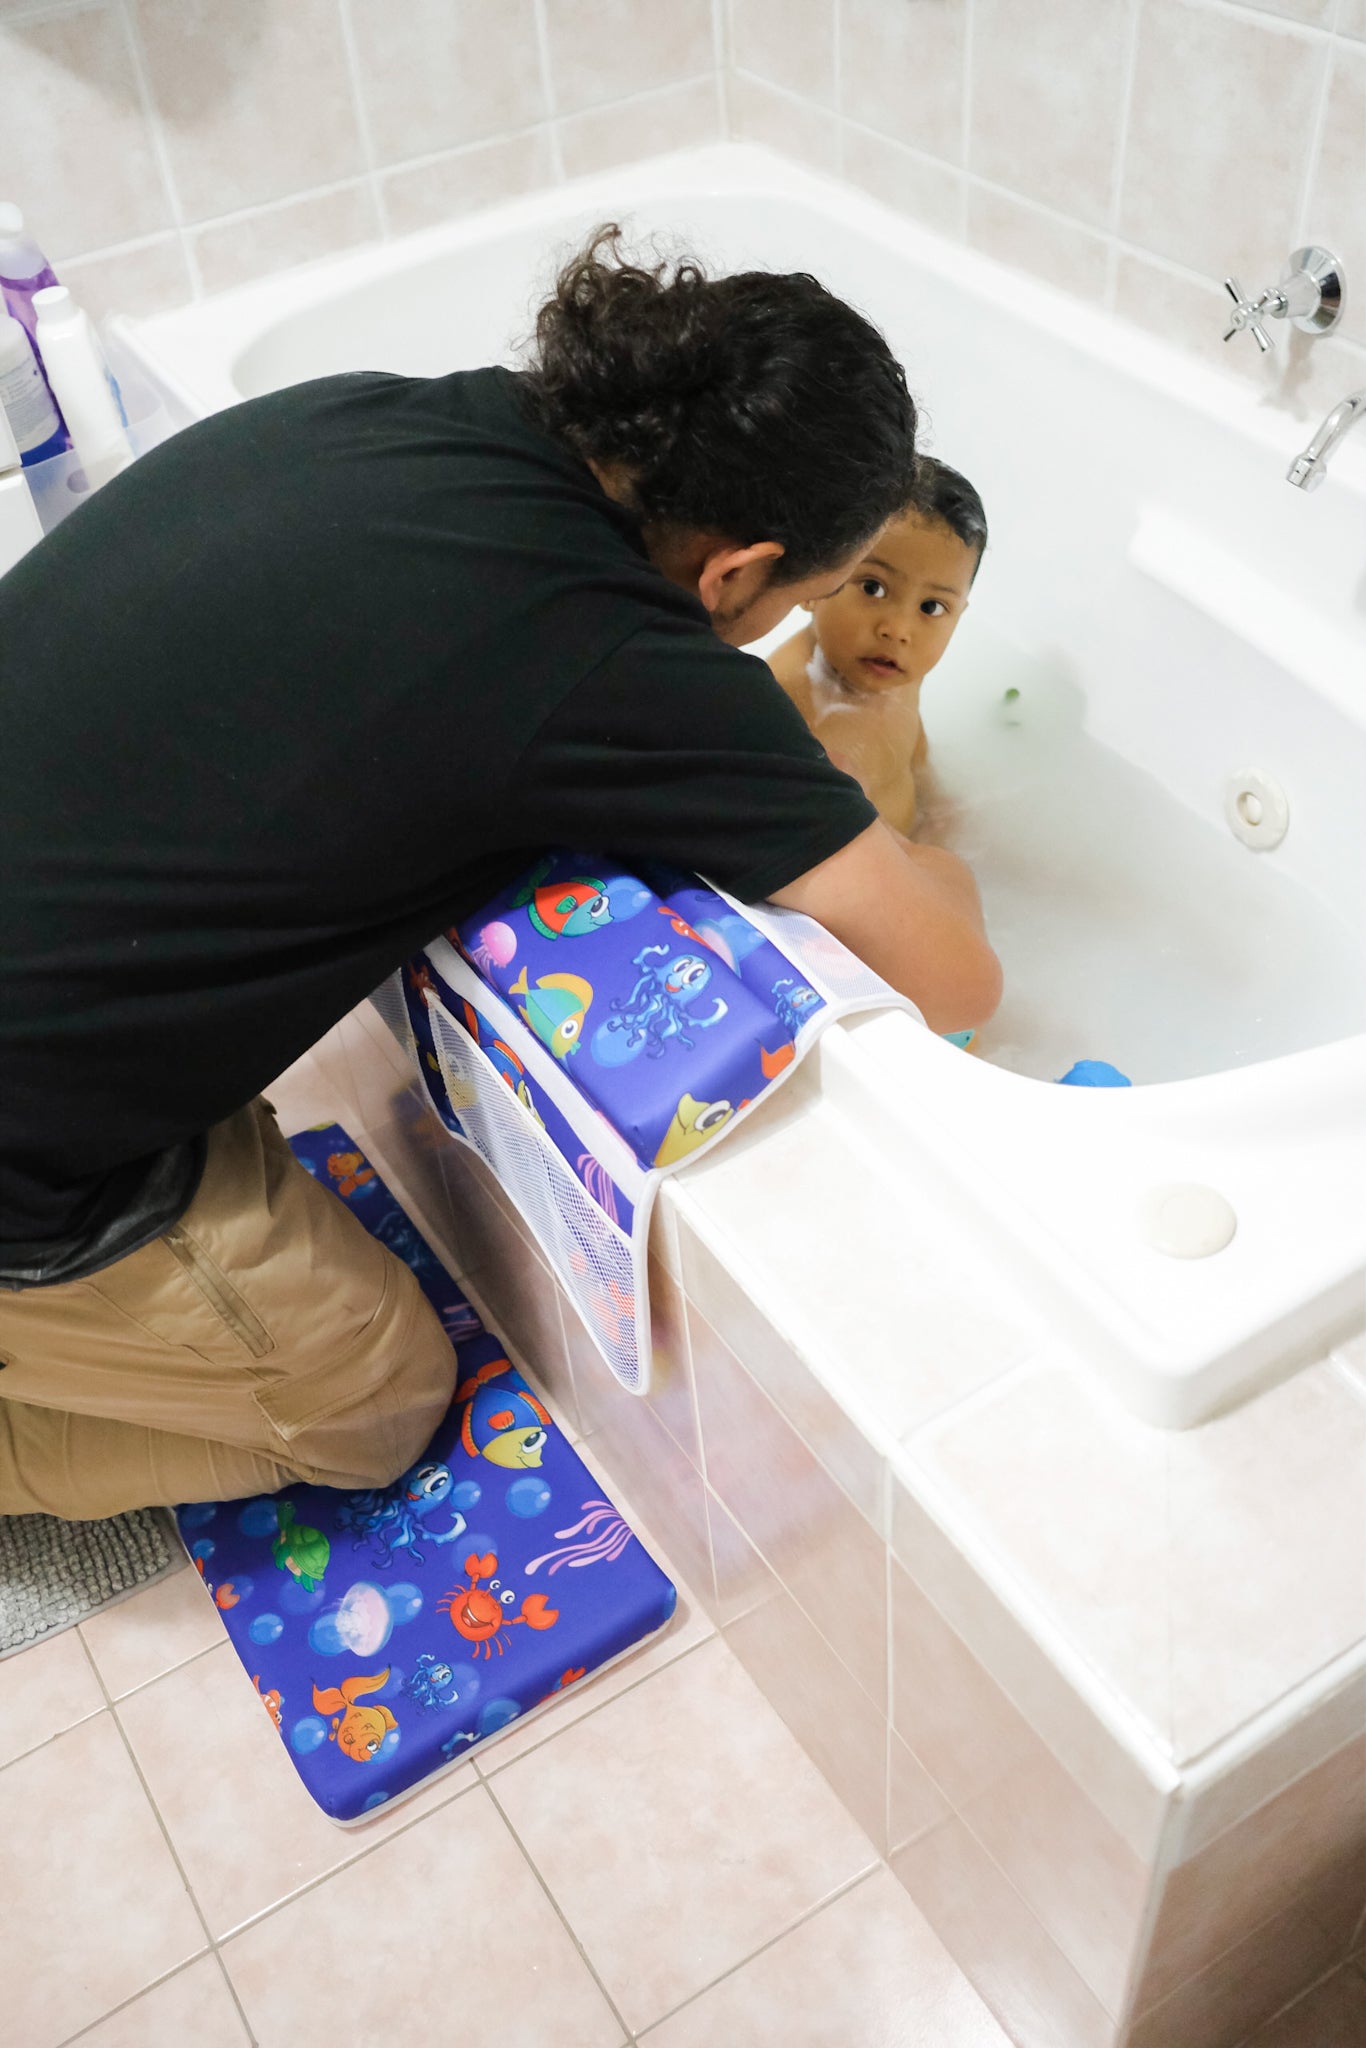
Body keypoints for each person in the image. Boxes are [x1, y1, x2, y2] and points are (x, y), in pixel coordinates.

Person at [0, 226, 1000, 1520]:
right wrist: (934, 858)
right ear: (739, 569)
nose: (794, 628)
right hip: (26, 1156)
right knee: (379, 1402)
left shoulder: (374, 412)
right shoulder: (609, 655)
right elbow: (951, 974)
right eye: (803, 600)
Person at [766, 458, 987, 838]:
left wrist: (933, 796)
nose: (899, 629)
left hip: (905, 843)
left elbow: (911, 738)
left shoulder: (893, 666)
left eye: (931, 607)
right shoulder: (788, 711)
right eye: (873, 587)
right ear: (814, 576)